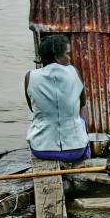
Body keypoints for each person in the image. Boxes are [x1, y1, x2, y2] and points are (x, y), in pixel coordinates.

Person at [24, 34, 90, 163]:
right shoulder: (74, 72)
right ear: (57, 57)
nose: (70, 58)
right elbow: (82, 104)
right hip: (75, 150)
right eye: (67, 54)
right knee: (82, 112)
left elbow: (32, 108)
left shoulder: (29, 77)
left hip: (41, 150)